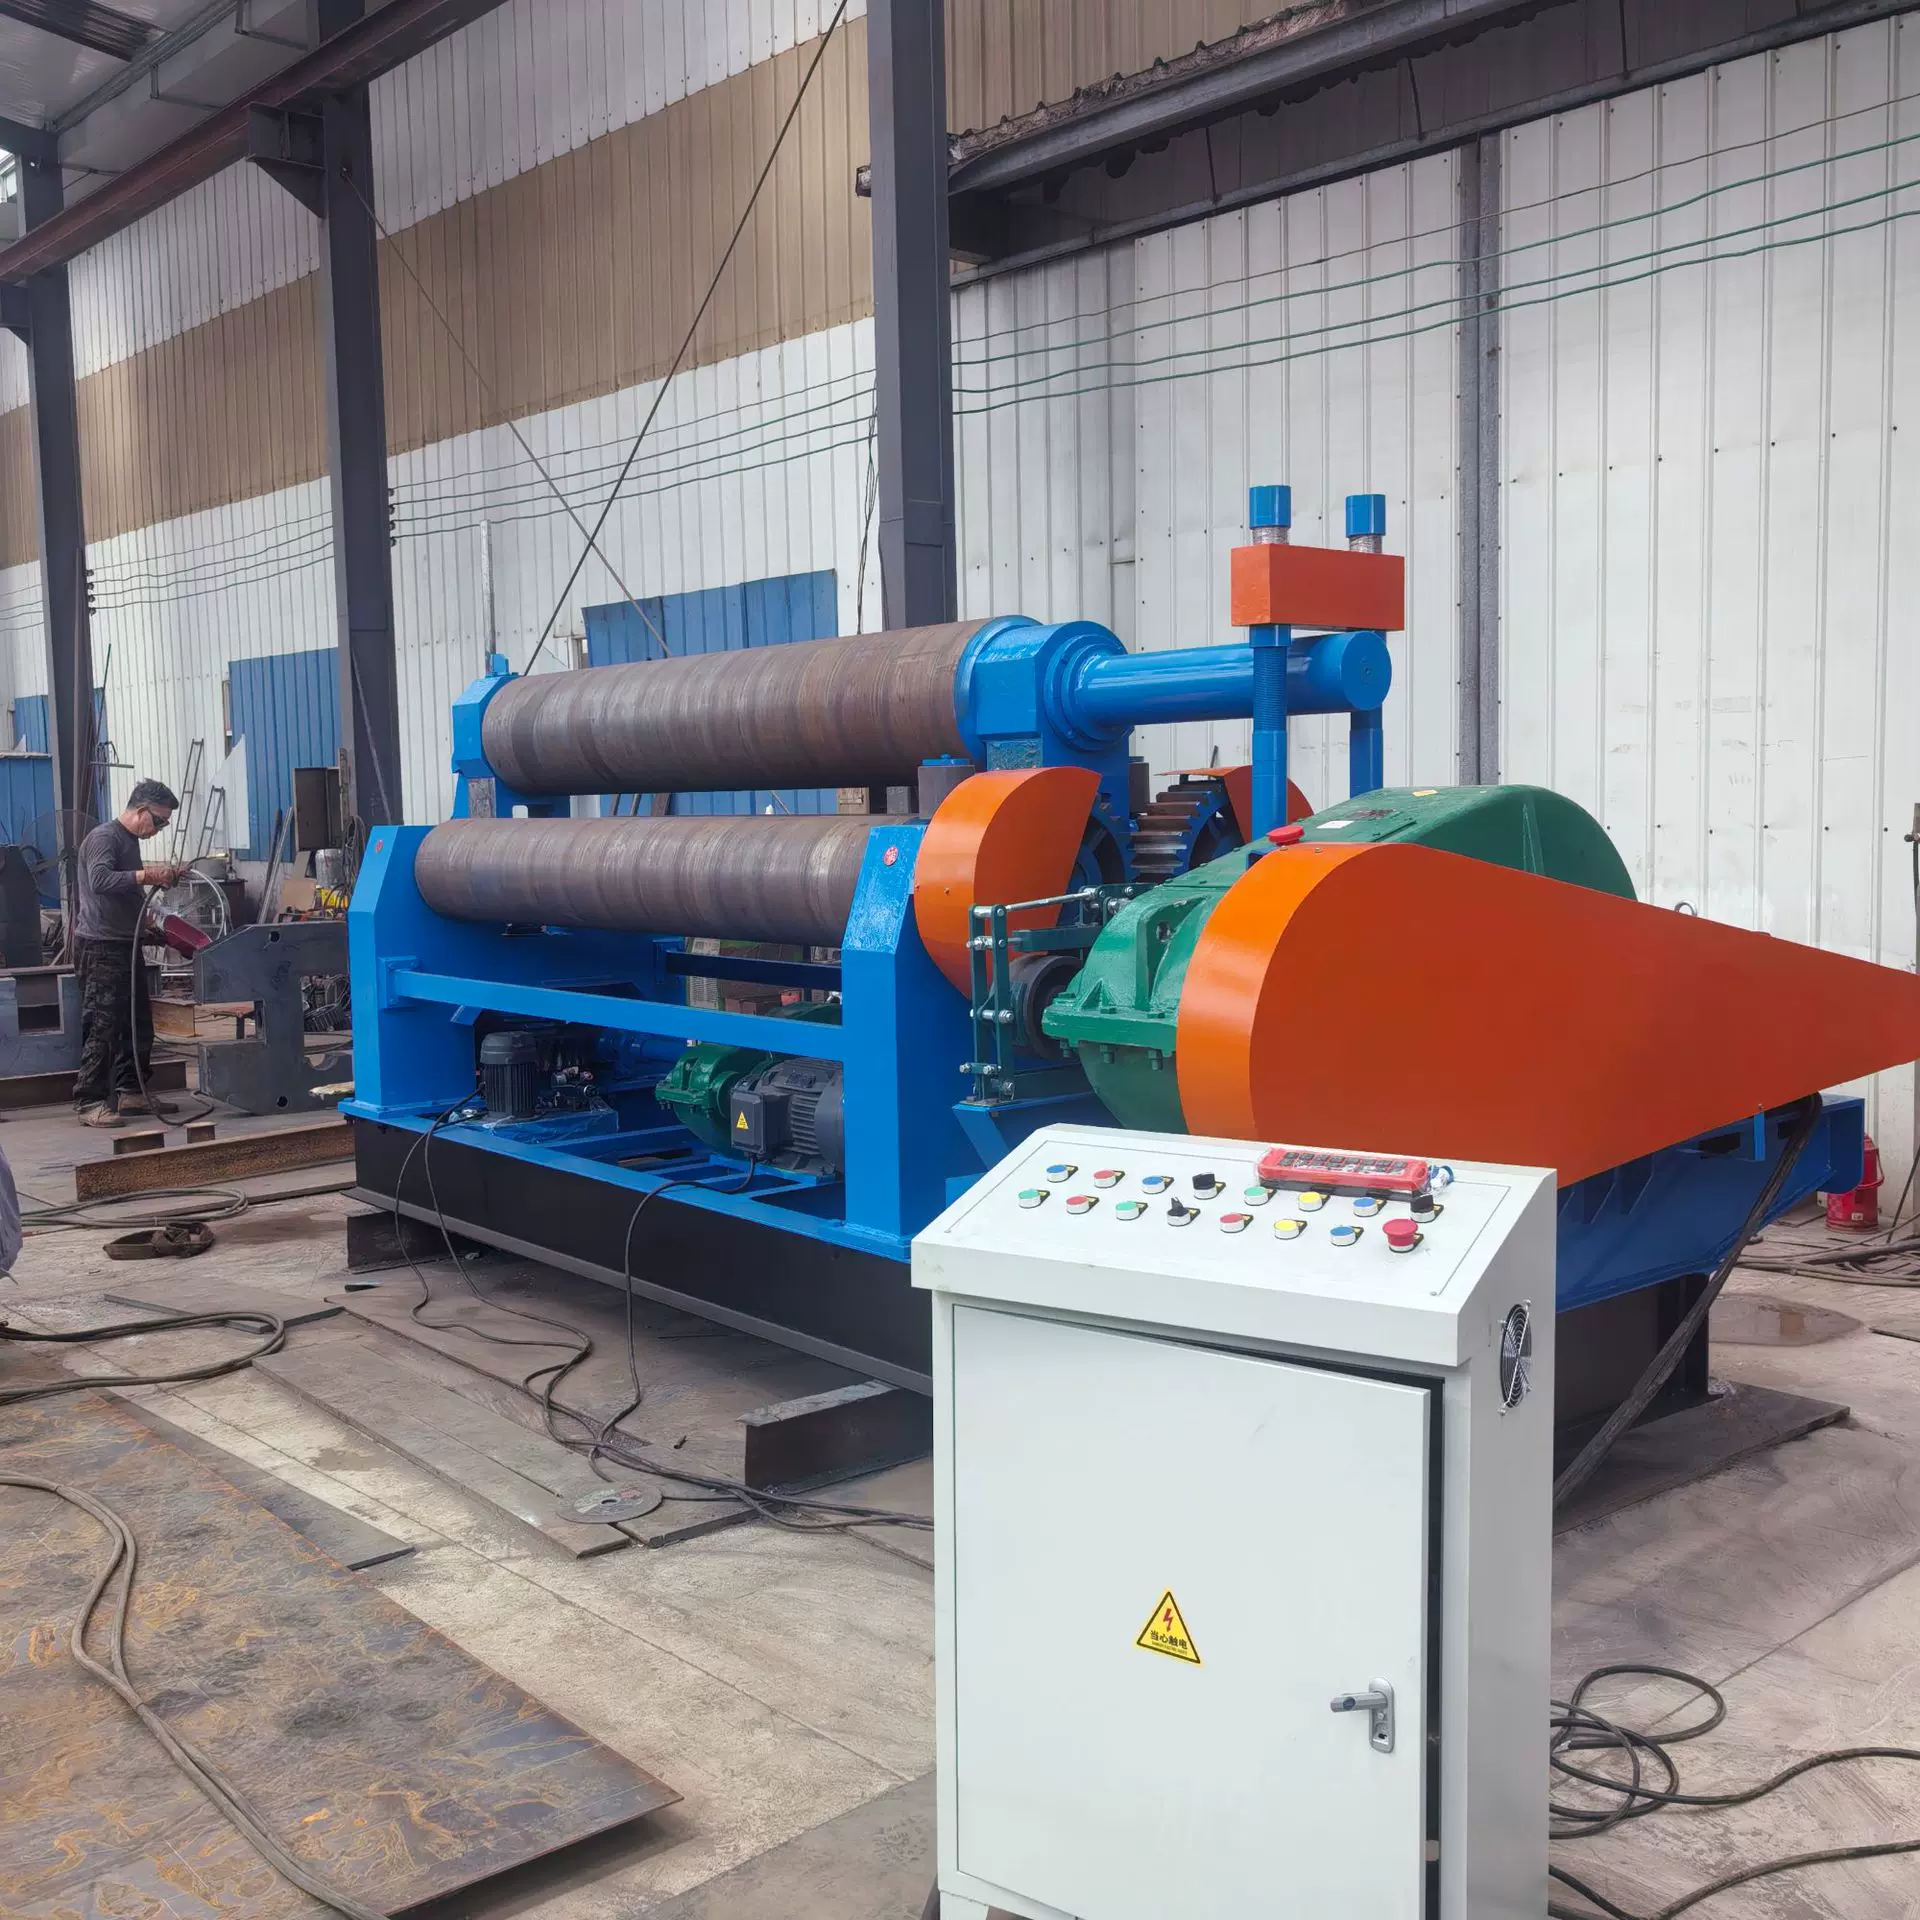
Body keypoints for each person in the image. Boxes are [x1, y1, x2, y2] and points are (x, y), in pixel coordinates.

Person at [72, 779, 184, 1128]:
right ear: (141, 811)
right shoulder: (104, 838)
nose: (160, 828)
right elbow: (100, 881)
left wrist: (149, 923)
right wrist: (146, 874)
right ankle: (89, 1101)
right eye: (159, 821)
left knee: (136, 1022)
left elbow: (126, 892)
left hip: (125, 941)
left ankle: (131, 1090)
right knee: (103, 1024)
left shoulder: (129, 841)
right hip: (101, 945)